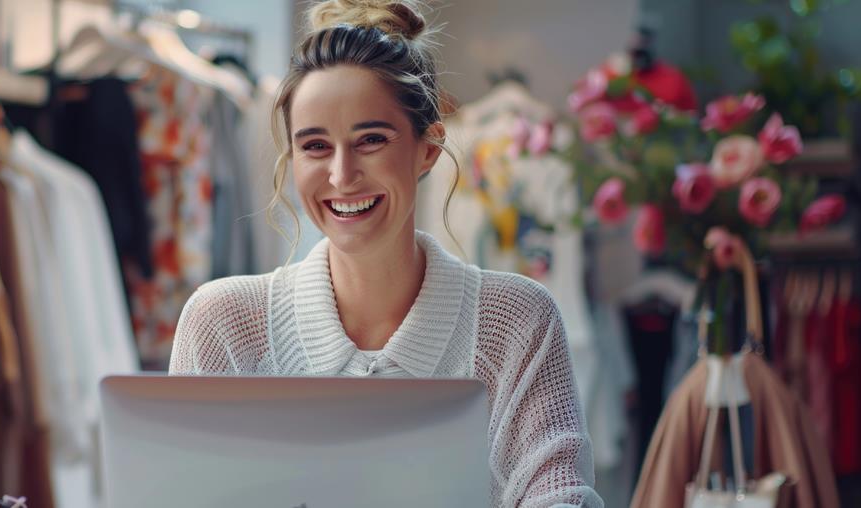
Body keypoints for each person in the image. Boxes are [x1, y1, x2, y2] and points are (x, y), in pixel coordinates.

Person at [169, 1, 603, 506]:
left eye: (370, 139)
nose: (341, 175)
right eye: (314, 146)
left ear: (428, 148)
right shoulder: (221, 323)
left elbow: (561, 496)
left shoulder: (517, 321)